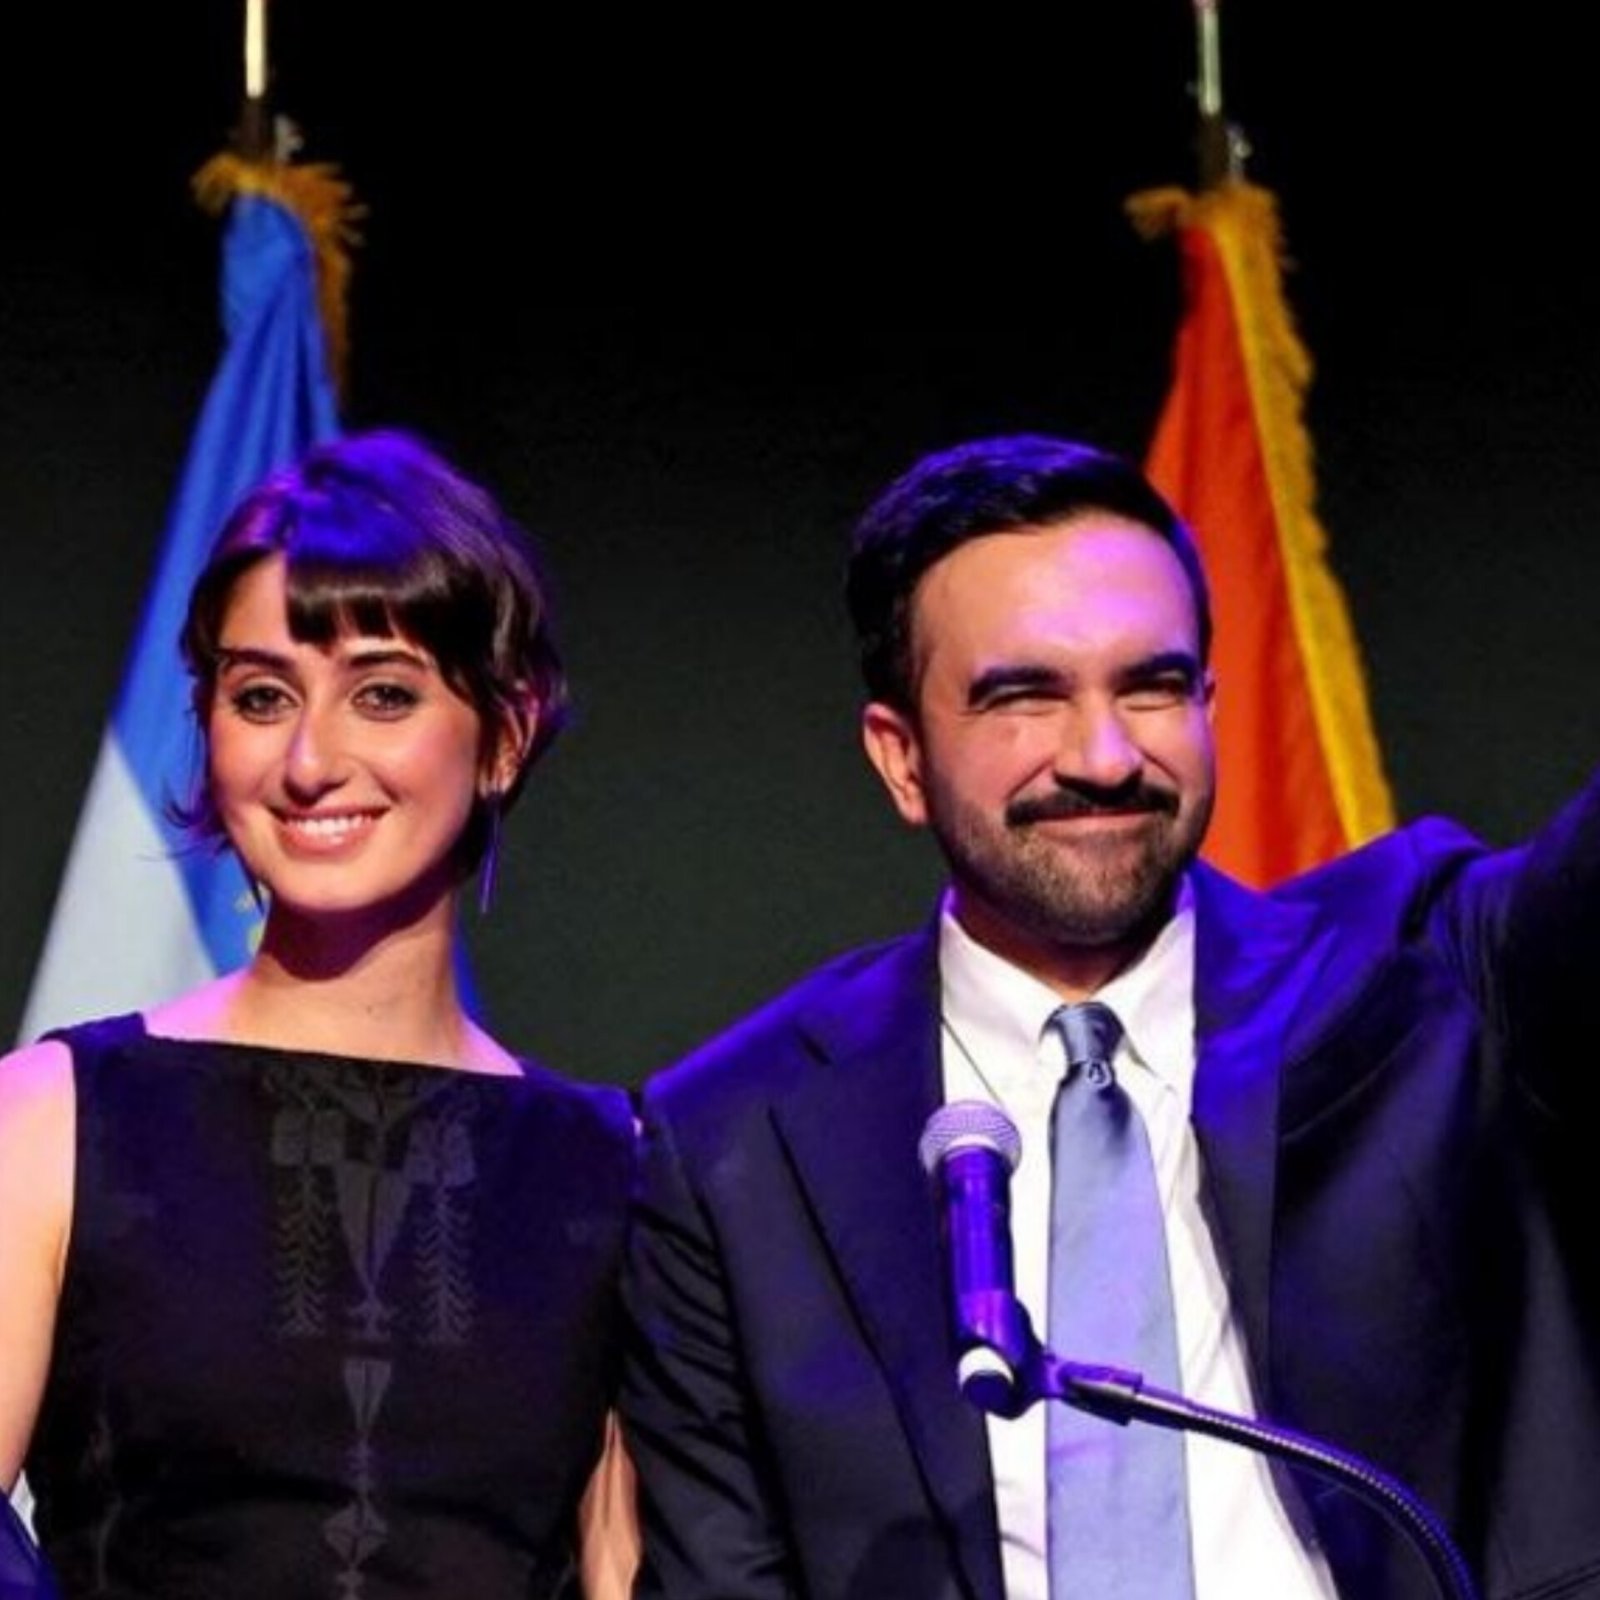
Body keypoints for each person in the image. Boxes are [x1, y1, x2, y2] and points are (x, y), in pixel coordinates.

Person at [619, 433, 1600, 1600]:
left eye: (1151, 686)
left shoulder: (1422, 968)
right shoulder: (734, 1143)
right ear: (901, 758)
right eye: (1024, 695)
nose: (1103, 754)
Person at [0, 430, 637, 1599]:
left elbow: (623, 1568)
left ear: (505, 733)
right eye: (261, 696)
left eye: (381, 694)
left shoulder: (613, 1166)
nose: (308, 759)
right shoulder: (51, 1116)